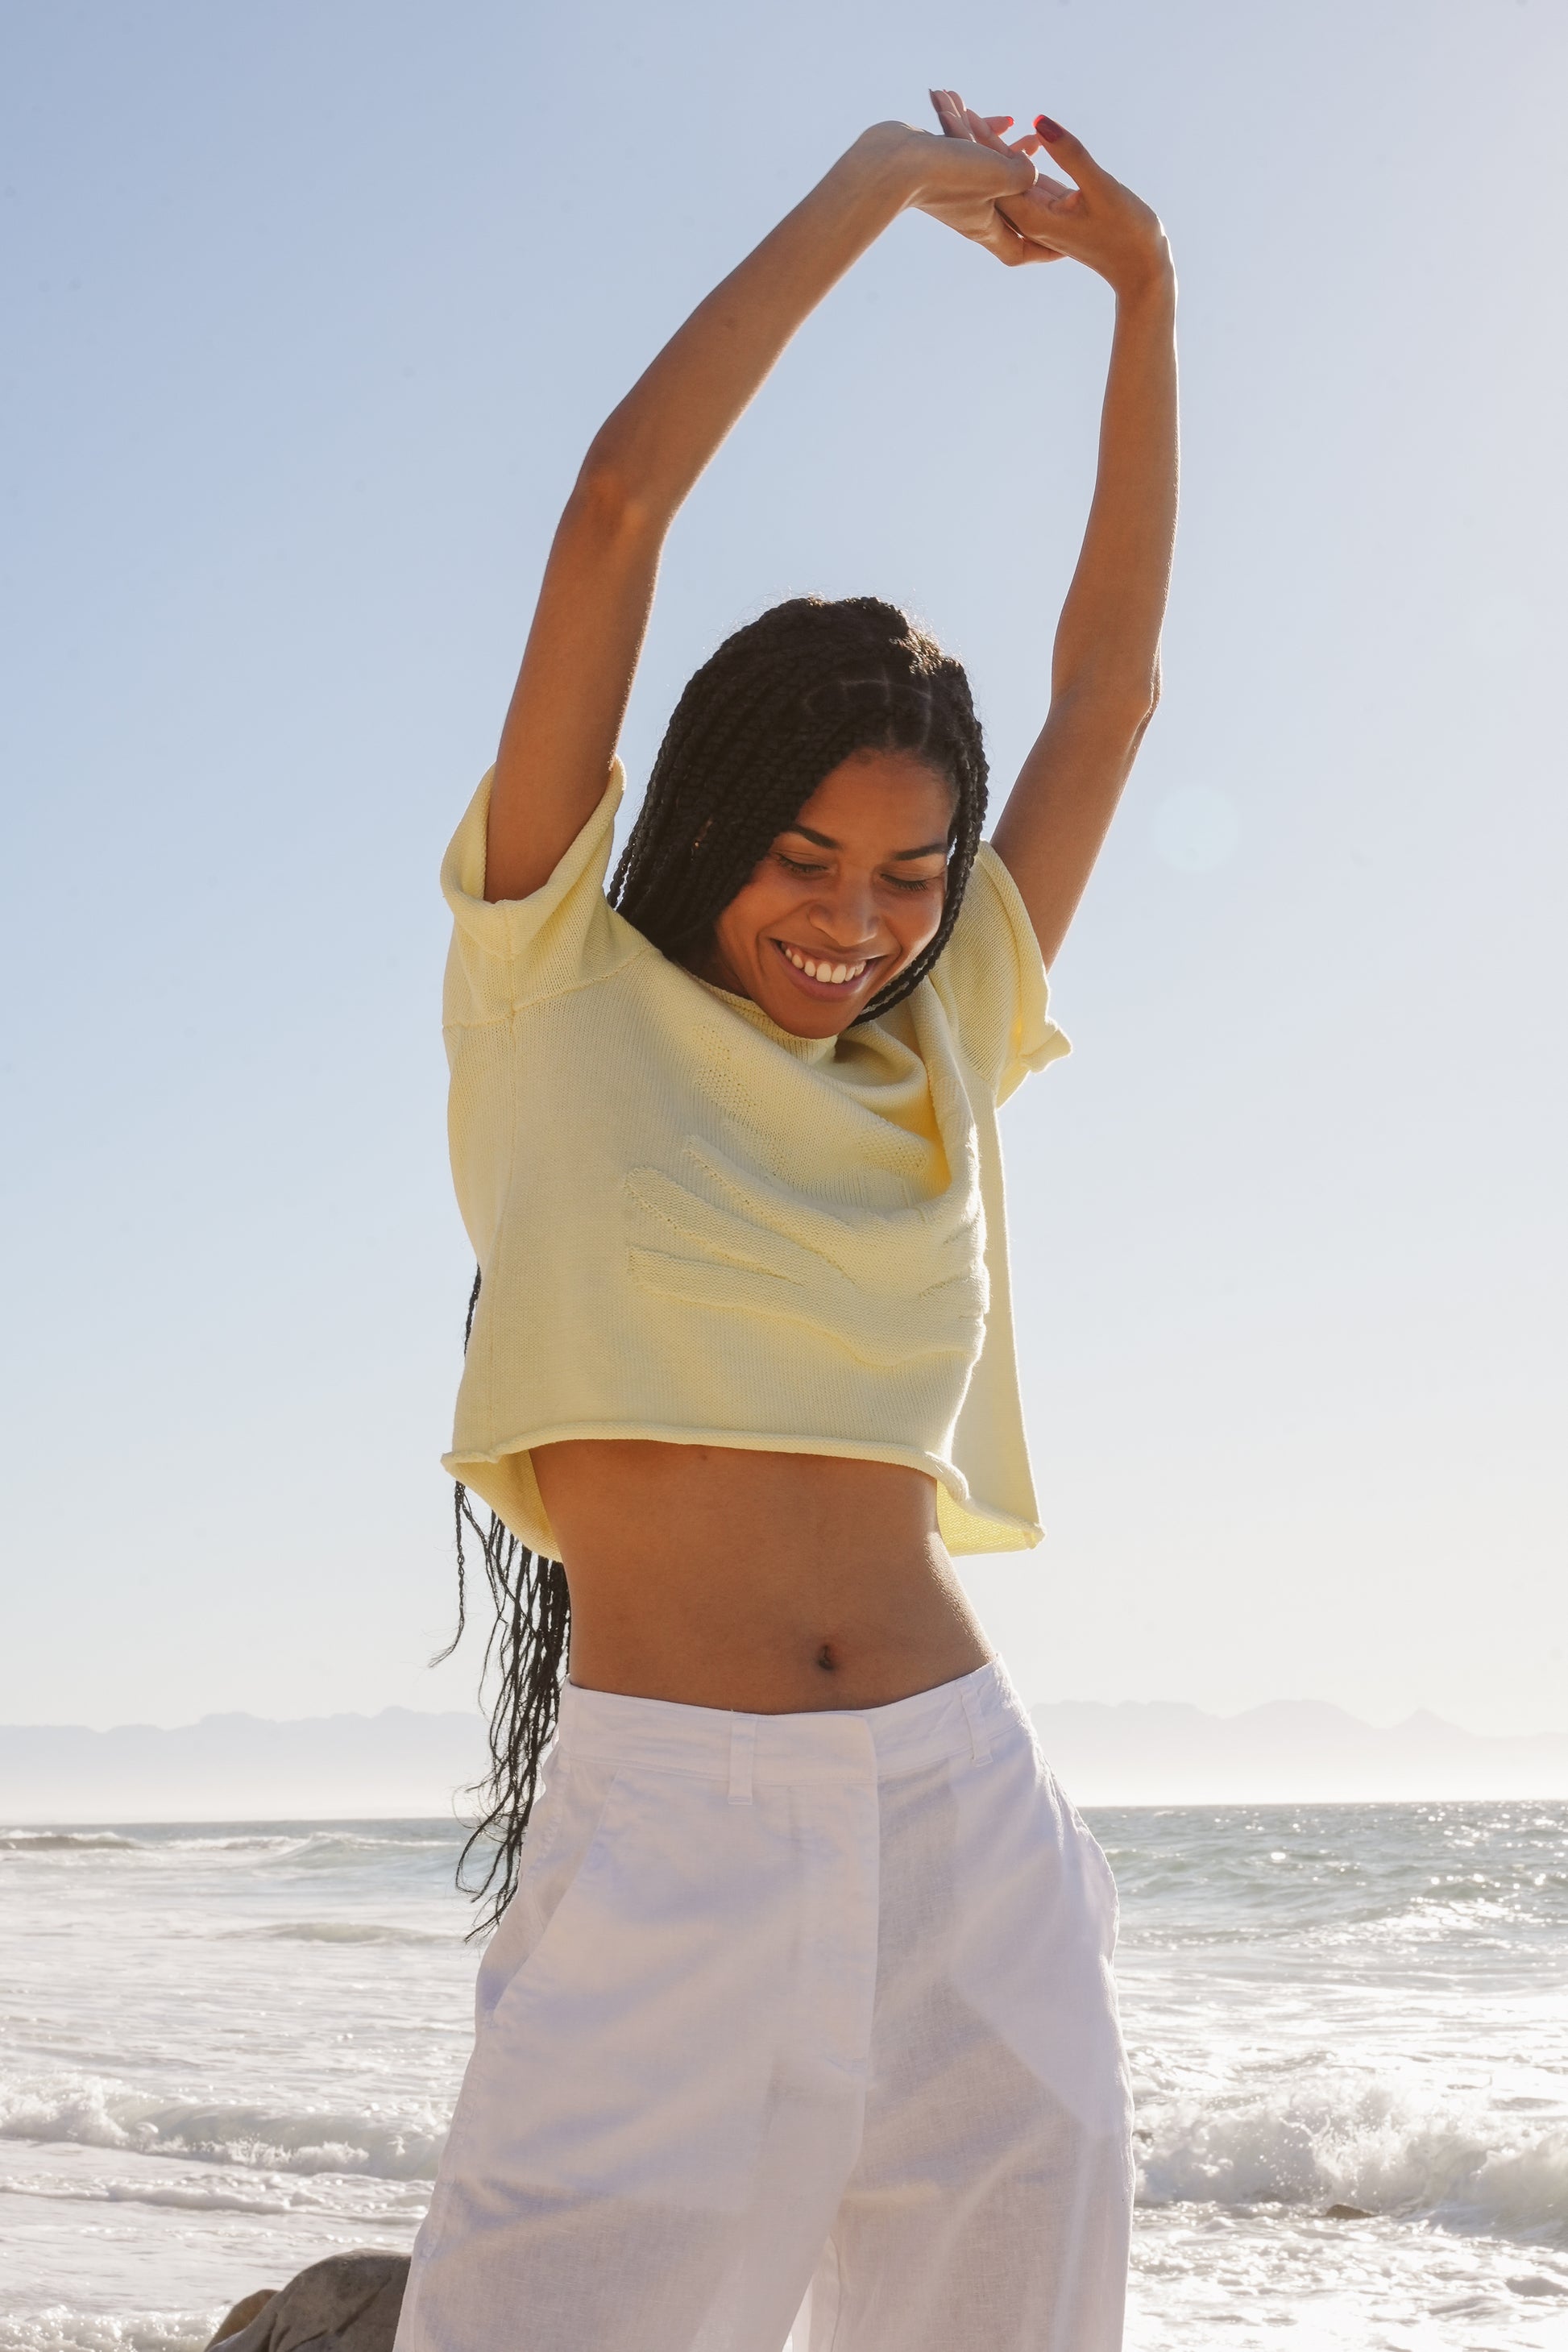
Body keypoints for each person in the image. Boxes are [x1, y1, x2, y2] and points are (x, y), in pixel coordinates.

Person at [396, 88, 1177, 2352]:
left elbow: (1112, 688)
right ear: (712, 821)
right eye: (807, 860)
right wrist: (862, 190)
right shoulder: (557, 986)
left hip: (966, 1825)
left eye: (912, 875)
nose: (857, 924)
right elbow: (613, 510)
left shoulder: (942, 1042)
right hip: (668, 1839)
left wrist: (1144, 296)